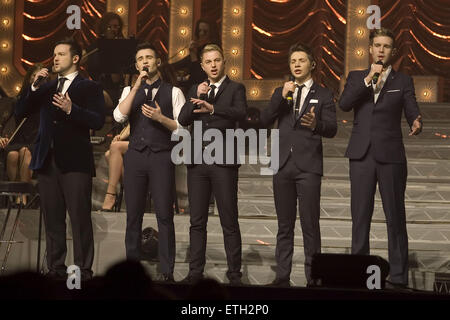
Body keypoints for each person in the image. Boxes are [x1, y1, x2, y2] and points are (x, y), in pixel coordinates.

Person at [15, 37, 105, 281]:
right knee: (53, 220)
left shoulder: (89, 87)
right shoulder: (46, 87)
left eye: (61, 54)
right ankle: (55, 269)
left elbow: (98, 120)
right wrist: (33, 87)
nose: (55, 58)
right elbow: (20, 111)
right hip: (47, 161)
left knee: (79, 219)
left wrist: (71, 109)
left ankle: (83, 272)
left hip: (75, 162)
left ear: (75, 59)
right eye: (54, 54)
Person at [339, 28, 422, 288]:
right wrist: (368, 80)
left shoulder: (403, 81)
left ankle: (398, 277)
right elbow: (344, 104)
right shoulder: (356, 77)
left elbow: (411, 106)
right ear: (371, 48)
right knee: (360, 216)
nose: (381, 50)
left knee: (395, 217)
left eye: (386, 46)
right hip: (361, 155)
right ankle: (357, 274)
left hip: (391, 155)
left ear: (392, 51)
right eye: (377, 45)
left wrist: (415, 120)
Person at [260, 43, 337, 287]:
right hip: (282, 164)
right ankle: (282, 277)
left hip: (308, 167)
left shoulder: (324, 94)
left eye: (301, 60)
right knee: (284, 225)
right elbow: (264, 120)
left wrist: (316, 124)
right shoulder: (281, 92)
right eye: (293, 61)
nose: (296, 65)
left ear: (311, 64)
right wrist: (280, 98)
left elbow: (332, 128)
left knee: (309, 226)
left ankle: (314, 278)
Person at [113, 42, 186, 282]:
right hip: (135, 156)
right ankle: (131, 273)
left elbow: (183, 130)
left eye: (149, 57)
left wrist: (160, 118)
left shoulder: (173, 92)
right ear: (136, 65)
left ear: (158, 62)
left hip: (162, 156)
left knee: (164, 215)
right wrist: (135, 87)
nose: (145, 61)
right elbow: (119, 115)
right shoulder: (128, 91)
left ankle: (166, 271)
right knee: (132, 215)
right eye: (141, 58)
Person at [178, 44, 247, 285]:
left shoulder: (235, 88)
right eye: (209, 62)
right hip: (197, 162)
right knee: (197, 220)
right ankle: (195, 272)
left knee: (229, 219)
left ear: (224, 61)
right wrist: (196, 95)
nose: (213, 65)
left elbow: (241, 113)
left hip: (223, 161)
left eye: (217, 60)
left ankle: (234, 274)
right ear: (203, 66)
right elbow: (183, 118)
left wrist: (213, 107)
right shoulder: (196, 89)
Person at [0, 65, 42, 206]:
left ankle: (23, 195)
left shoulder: (45, 99)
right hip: (19, 139)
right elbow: (3, 121)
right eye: (34, 76)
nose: (36, 79)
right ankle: (15, 192)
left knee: (25, 152)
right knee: (12, 155)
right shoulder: (20, 99)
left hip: (36, 140)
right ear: (29, 78)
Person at [172, 19, 221, 93]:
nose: (201, 34)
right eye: (199, 31)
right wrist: (165, 67)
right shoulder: (198, 48)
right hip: (193, 88)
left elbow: (199, 76)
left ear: (211, 33)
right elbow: (181, 63)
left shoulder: (214, 50)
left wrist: (193, 55)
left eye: (205, 32)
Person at [100, 123, 129, 211]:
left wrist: (122, 137)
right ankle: (132, 189)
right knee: (108, 154)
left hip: (150, 141)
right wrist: (119, 136)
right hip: (135, 142)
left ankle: (111, 195)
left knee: (116, 147)